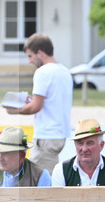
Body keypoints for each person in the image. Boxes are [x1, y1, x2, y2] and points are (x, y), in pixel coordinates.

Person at [6, 33, 73, 173]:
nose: (29, 61)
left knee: (34, 181)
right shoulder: (65, 71)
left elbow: (36, 106)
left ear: (40, 53)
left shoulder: (42, 72)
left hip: (46, 137)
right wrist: (33, 100)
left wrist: (16, 110)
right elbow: (52, 101)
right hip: (59, 135)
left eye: (30, 56)